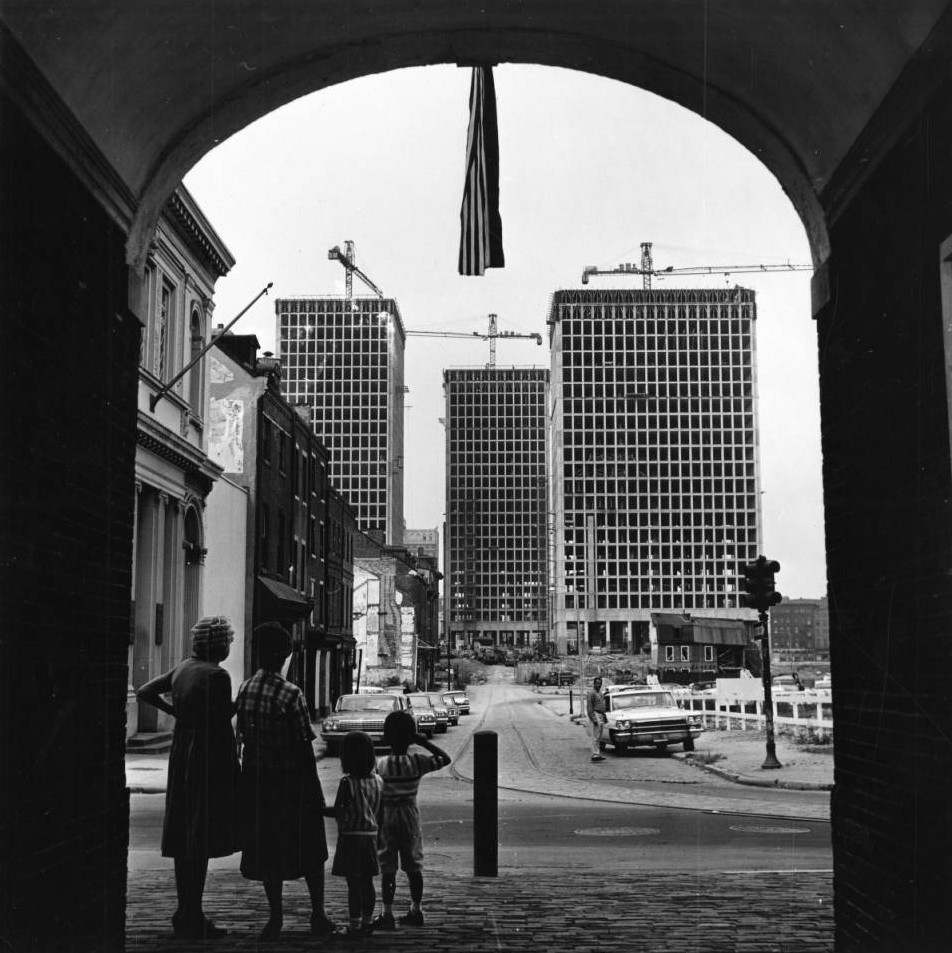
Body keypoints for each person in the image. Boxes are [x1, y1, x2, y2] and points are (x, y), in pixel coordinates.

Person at [136, 615, 240, 940]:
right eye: (227, 641)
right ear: (219, 643)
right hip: (208, 754)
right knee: (202, 834)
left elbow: (144, 691)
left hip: (183, 750)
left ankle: (186, 910)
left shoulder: (183, 668)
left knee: (184, 835)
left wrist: (174, 713)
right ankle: (193, 914)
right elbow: (222, 720)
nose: (228, 646)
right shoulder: (217, 675)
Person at [235, 622, 335, 940]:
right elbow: (304, 746)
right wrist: (315, 794)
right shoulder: (291, 694)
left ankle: (275, 917)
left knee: (268, 852)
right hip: (292, 783)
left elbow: (242, 740)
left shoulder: (246, 689)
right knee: (311, 849)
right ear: (283, 656)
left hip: (258, 782)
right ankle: (318, 913)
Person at [373, 710, 451, 930]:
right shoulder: (417, 762)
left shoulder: (381, 765)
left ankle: (386, 913)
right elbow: (445, 759)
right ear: (411, 737)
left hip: (387, 816)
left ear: (387, 737)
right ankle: (416, 910)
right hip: (409, 815)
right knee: (413, 866)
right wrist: (422, 741)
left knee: (388, 867)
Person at [326, 731, 384, 939]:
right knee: (368, 882)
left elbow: (339, 811)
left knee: (354, 884)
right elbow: (381, 812)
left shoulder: (346, 783)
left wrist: (319, 810)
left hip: (351, 837)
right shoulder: (378, 781)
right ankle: (368, 922)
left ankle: (354, 924)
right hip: (370, 836)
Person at [586, 676, 607, 762]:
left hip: (601, 715)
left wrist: (604, 716)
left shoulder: (600, 693)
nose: (598, 685)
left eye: (600, 683)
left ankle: (597, 753)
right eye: (597, 683)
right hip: (595, 714)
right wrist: (593, 719)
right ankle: (594, 754)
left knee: (599, 736)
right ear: (594, 684)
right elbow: (590, 708)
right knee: (595, 736)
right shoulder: (591, 694)